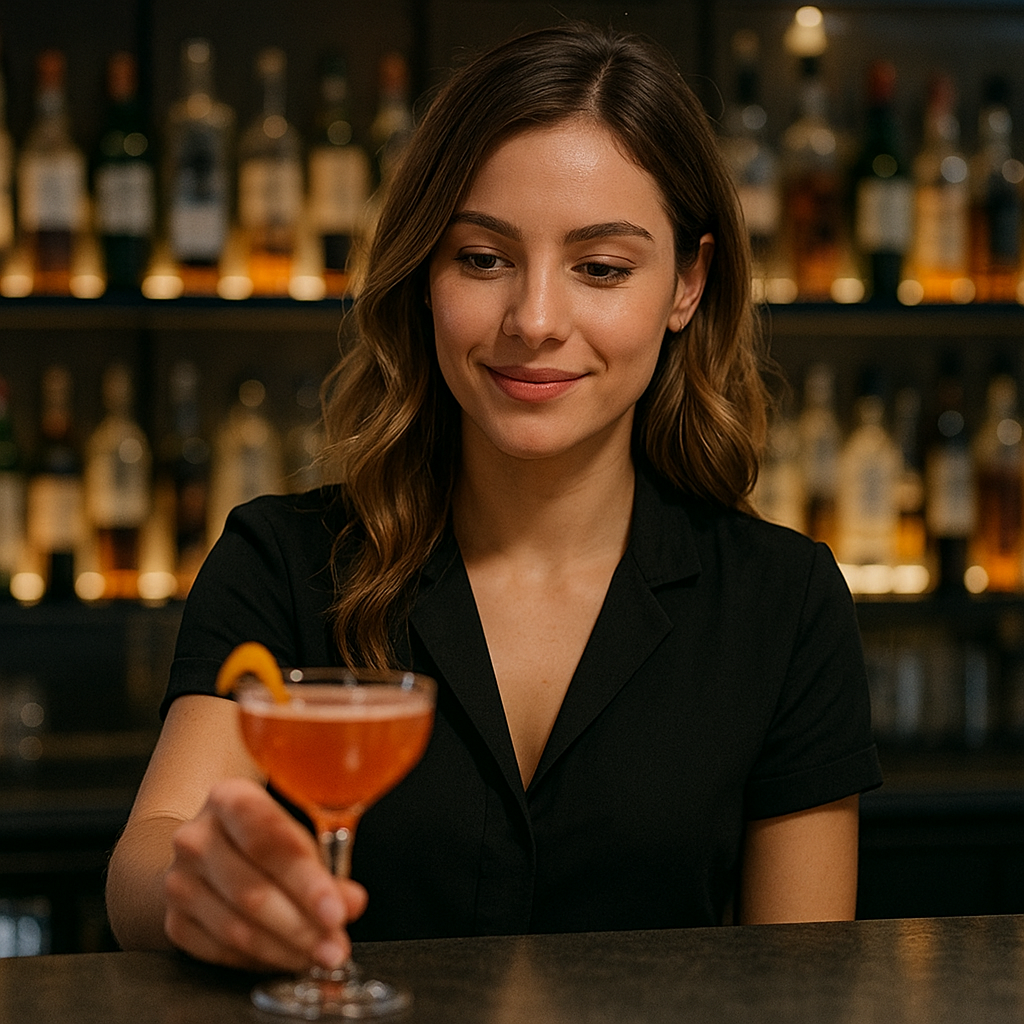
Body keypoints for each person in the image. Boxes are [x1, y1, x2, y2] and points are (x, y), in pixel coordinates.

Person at [106, 22, 882, 973]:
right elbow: (151, 851)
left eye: (601, 268)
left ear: (688, 283)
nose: (536, 321)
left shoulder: (783, 605)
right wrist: (198, 887)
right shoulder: (284, 561)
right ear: (425, 274)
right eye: (483, 258)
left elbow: (799, 981)